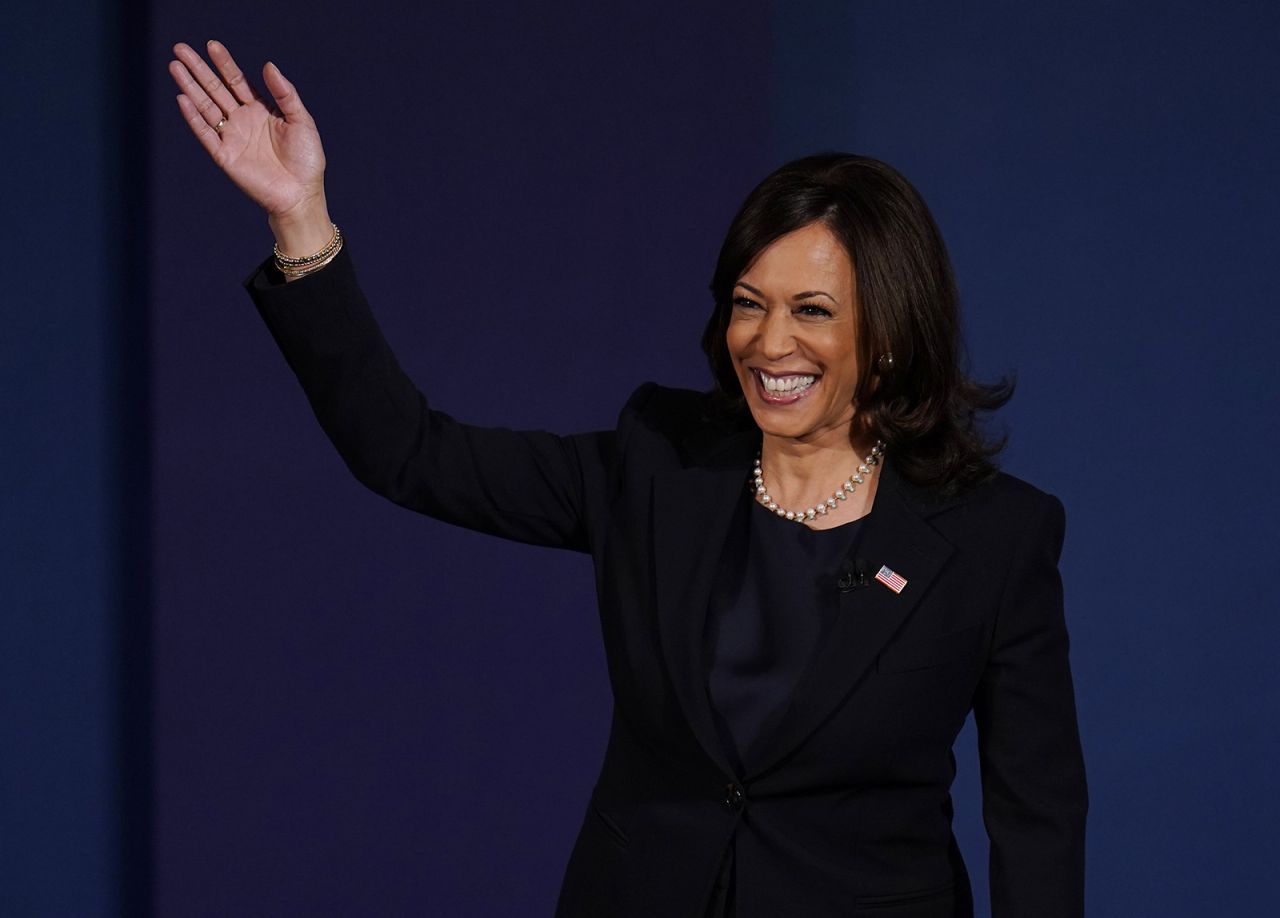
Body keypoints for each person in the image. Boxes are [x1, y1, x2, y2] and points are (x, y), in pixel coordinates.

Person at [169, 39, 1087, 918]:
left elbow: (1036, 821)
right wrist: (301, 221)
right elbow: (409, 453)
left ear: (890, 335)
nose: (770, 344)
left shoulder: (992, 538)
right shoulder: (658, 467)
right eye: (748, 304)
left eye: (813, 311)